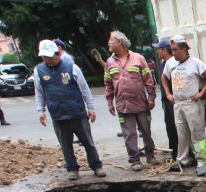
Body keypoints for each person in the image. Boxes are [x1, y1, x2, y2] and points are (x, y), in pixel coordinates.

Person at [35, 40, 104, 181]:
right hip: (58, 115)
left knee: (87, 142)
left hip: (77, 113)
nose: (46, 60)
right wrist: (40, 111)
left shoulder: (71, 67)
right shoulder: (39, 71)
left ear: (57, 54)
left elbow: (85, 89)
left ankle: (96, 165)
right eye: (43, 57)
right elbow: (39, 92)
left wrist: (91, 108)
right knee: (65, 145)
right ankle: (72, 168)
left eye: (49, 57)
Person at [161, 34, 206, 176]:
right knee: (182, 134)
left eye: (175, 50)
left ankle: (203, 161)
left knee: (197, 133)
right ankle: (183, 159)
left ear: (184, 49)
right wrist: (168, 93)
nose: (173, 53)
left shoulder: (195, 63)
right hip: (178, 104)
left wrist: (201, 93)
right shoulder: (170, 63)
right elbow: (163, 77)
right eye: (172, 50)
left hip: (192, 103)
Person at [104, 30, 158, 171]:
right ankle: (135, 160)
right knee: (129, 133)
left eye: (111, 40)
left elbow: (149, 80)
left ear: (120, 42)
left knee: (146, 131)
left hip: (141, 104)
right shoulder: (109, 62)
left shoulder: (138, 58)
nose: (109, 42)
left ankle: (150, 156)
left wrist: (151, 98)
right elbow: (108, 83)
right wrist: (110, 102)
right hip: (123, 105)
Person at [154, 39, 179, 161]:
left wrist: (169, 95)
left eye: (159, 49)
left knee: (176, 127)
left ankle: (178, 153)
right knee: (170, 127)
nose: (157, 51)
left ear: (164, 50)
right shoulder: (164, 63)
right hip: (167, 101)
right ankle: (174, 151)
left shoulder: (172, 63)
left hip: (172, 101)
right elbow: (164, 80)